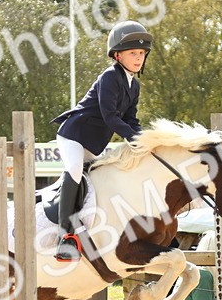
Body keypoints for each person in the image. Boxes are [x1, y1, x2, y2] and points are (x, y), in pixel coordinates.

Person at [50, 20, 151, 261]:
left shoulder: (134, 85)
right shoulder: (109, 77)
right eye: (133, 53)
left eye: (141, 53)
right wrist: (134, 139)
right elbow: (110, 117)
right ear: (117, 55)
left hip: (93, 144)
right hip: (73, 135)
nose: (138, 58)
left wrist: (145, 140)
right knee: (75, 168)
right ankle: (64, 236)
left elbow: (131, 119)